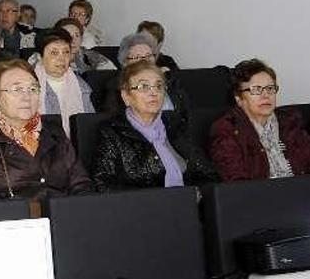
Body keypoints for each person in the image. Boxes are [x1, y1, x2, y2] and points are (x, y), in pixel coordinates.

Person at [0, 59, 93, 202]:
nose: (26, 97)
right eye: (17, 90)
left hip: (62, 216)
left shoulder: (54, 132)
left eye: (33, 89)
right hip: (12, 219)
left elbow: (81, 184)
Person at [93, 61, 217, 190]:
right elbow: (103, 183)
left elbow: (208, 174)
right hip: (144, 208)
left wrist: (198, 193)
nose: (154, 92)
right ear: (126, 96)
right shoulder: (112, 132)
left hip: (188, 204)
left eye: (159, 86)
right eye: (143, 86)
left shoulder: (175, 125)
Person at [210, 59, 310, 181]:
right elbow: (237, 183)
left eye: (270, 88)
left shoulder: (290, 123)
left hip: (304, 193)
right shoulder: (226, 130)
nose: (265, 95)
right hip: (261, 197)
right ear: (239, 99)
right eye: (256, 90)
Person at [102, 31, 187, 118]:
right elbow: (114, 119)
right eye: (138, 57)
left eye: (148, 56)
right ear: (125, 63)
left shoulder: (169, 80)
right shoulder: (116, 86)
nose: (145, 61)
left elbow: (185, 111)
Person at [33, 29, 94, 136]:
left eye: (66, 52)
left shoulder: (81, 86)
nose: (61, 59)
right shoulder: (28, 85)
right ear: (40, 57)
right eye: (54, 53)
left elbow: (89, 124)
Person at [30, 18, 115, 74]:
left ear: (81, 39)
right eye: (68, 35)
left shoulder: (90, 56)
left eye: (77, 35)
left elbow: (112, 72)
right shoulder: (41, 56)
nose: (73, 40)